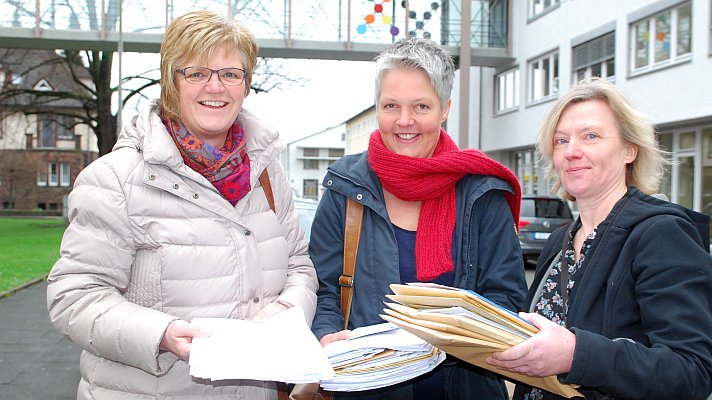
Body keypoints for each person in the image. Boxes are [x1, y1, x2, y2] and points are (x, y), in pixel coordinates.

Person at [46, 10, 318, 399]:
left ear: (245, 84)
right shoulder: (117, 179)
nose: (216, 87)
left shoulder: (267, 174)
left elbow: (298, 267)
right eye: (196, 73)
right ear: (171, 82)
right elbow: (74, 296)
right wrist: (161, 335)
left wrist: (288, 310)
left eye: (230, 74)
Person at [309, 37, 528, 399]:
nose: (404, 121)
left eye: (421, 106)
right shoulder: (345, 187)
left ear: (445, 109)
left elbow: (504, 295)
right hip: (368, 385)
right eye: (391, 105)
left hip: (463, 387)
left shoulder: (482, 193)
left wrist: (446, 338)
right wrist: (328, 334)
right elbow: (324, 289)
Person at [486, 78, 712, 400]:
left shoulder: (662, 234)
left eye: (591, 136)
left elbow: (690, 372)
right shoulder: (558, 243)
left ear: (629, 150)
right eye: (561, 140)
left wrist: (576, 354)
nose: (572, 151)